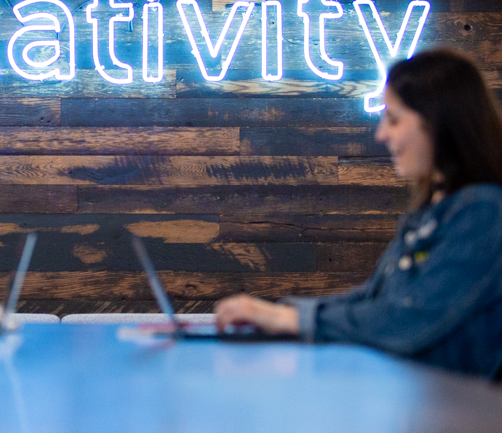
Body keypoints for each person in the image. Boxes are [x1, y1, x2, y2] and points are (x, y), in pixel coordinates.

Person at [215, 49, 502, 378]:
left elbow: (408, 319)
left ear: (437, 122)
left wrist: (288, 319)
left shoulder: (483, 211)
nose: (381, 134)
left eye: (393, 119)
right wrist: (281, 313)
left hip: (460, 420)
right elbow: (375, 298)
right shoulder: (435, 210)